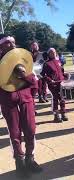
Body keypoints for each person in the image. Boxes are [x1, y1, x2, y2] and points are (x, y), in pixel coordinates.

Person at [0, 34, 42, 177]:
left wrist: (23, 75)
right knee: (15, 133)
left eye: (13, 42)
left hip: (26, 100)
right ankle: (20, 163)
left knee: (30, 130)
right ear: (1, 46)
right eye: (7, 43)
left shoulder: (23, 60)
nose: (12, 45)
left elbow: (34, 82)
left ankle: (31, 159)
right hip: (8, 103)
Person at [41, 48, 68, 123]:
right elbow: (43, 75)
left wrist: (65, 76)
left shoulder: (58, 61)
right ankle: (56, 115)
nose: (53, 53)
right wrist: (50, 81)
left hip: (61, 83)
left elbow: (61, 72)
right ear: (49, 54)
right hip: (53, 84)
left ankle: (63, 113)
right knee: (55, 98)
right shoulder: (46, 63)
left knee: (62, 99)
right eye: (51, 52)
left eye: (54, 52)